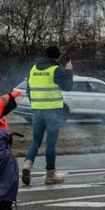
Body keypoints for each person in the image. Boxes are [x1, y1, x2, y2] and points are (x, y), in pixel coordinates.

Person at [22, 44, 74, 186]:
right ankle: (50, 175)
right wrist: (69, 71)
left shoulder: (33, 70)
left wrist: (36, 105)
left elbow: (29, 91)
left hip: (37, 111)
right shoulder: (57, 69)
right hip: (53, 112)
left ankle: (27, 164)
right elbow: (68, 87)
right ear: (57, 57)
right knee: (51, 143)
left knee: (36, 141)